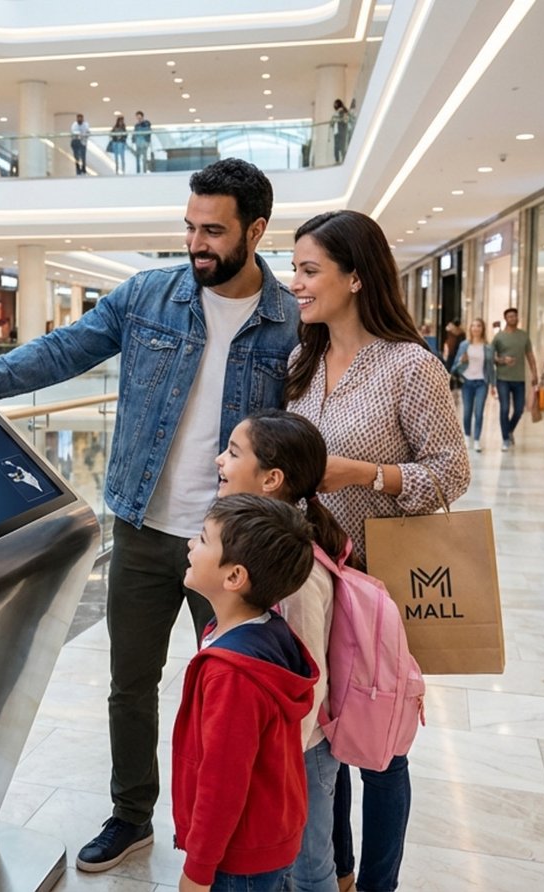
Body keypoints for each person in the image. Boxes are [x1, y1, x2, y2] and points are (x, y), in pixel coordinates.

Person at [0, 158, 299, 873]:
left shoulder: (289, 321)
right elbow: (63, 351)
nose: (196, 243)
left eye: (213, 231)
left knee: (233, 698)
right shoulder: (150, 296)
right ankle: (131, 815)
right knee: (130, 684)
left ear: (256, 231)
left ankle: (221, 832)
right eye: (189, 227)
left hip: (236, 543)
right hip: (146, 529)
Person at [282, 209, 469, 892]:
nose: (295, 283)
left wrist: (362, 473)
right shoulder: (299, 362)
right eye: (295, 268)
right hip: (307, 582)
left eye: (309, 270)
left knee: (380, 747)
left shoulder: (409, 367)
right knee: (321, 739)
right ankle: (338, 872)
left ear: (355, 277)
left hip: (374, 587)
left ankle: (378, 883)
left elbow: (451, 472)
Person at [213, 411, 347, 892]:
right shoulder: (265, 548)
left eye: (232, 452)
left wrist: (279, 759)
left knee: (310, 870)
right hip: (283, 747)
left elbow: (308, 679)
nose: (219, 460)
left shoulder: (300, 575)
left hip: (301, 750)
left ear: (272, 479)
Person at [172, 493, 317, 892]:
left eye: (202, 539)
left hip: (239, 856)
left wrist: (198, 870)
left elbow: (223, 782)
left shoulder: (231, 674)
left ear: (234, 577)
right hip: (270, 833)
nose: (190, 544)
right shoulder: (266, 632)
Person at [490, 307, 538, 450]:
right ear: (505, 319)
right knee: (504, 408)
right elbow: (491, 357)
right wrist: (503, 360)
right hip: (503, 378)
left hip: (519, 379)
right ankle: (505, 438)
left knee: (519, 410)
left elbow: (530, 355)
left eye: (515, 316)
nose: (513, 319)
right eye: (510, 316)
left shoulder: (523, 336)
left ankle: (509, 429)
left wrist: (534, 373)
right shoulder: (499, 337)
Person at [453, 319, 494, 453]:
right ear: (470, 329)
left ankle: (477, 440)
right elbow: (455, 365)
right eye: (473, 326)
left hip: (482, 382)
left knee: (479, 412)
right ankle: (467, 436)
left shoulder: (488, 347)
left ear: (483, 328)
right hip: (467, 381)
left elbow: (490, 367)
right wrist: (461, 360)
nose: (476, 328)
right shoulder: (464, 345)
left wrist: (493, 385)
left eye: (479, 326)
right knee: (467, 411)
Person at [331, 99, 352, 164]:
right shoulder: (337, 112)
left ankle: (342, 161)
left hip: (341, 131)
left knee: (340, 147)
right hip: (337, 132)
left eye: (336, 104)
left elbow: (344, 120)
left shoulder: (342, 112)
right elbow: (332, 123)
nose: (335, 105)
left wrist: (336, 120)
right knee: (337, 147)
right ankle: (338, 160)